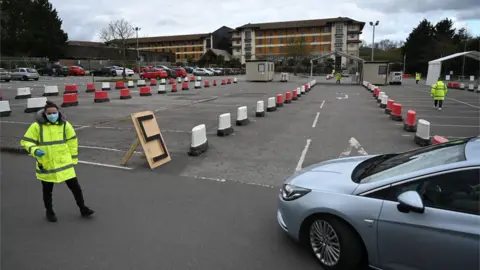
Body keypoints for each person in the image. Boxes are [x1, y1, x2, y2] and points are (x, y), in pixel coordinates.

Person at [21, 101, 94, 222]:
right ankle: (49, 212)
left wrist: (73, 159)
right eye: (49, 113)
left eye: (54, 113)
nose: (52, 115)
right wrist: (35, 150)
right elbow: (26, 141)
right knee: (47, 191)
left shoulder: (65, 125)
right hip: (47, 164)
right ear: (45, 114)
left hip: (64, 163)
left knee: (76, 188)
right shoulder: (36, 126)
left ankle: (83, 208)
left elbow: (72, 141)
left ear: (58, 113)